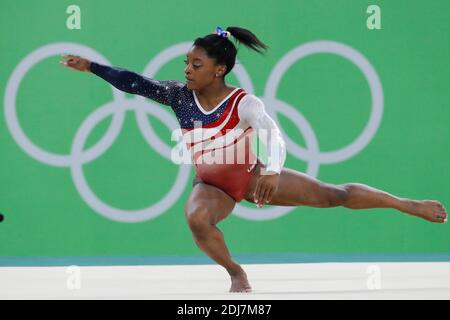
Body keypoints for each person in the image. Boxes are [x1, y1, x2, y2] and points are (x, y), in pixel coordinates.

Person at [60, 26, 447, 293]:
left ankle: (405, 204)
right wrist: (93, 67)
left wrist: (273, 171)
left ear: (219, 70)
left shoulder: (243, 102)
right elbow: (136, 82)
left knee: (336, 194)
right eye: (186, 63)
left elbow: (273, 134)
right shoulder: (179, 95)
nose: (187, 70)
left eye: (196, 65)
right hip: (212, 185)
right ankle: (236, 272)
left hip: (253, 174)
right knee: (195, 217)